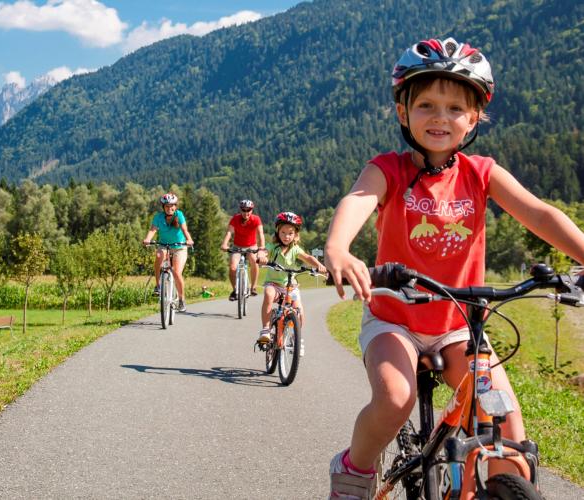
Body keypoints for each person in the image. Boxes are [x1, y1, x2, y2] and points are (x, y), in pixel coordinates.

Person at [324, 38, 584, 498]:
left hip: (461, 325)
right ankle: (354, 472)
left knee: (504, 425)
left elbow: (541, 214)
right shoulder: (388, 169)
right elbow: (359, 199)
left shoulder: (481, 172)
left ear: (474, 118)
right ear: (403, 113)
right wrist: (339, 248)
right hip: (394, 317)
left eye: (454, 107)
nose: (440, 117)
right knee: (394, 399)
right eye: (425, 104)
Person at [256, 211, 326, 343]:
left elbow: (307, 257)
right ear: (277, 232)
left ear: (295, 235)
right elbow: (264, 251)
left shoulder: (295, 249)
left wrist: (319, 265)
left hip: (290, 286)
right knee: (268, 293)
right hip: (274, 284)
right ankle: (265, 329)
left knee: (299, 310)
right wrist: (261, 257)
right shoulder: (273, 247)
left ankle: (297, 337)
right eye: (283, 232)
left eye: (290, 233)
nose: (286, 236)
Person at [142, 192, 194, 313]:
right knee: (159, 256)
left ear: (175, 206)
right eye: (167, 206)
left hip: (179, 246)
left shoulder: (179, 215)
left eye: (172, 206)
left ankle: (181, 300)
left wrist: (189, 239)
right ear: (163, 207)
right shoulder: (158, 217)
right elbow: (153, 230)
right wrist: (147, 239)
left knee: (176, 272)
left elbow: (184, 229)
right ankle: (158, 286)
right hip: (164, 245)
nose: (169, 208)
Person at [220, 199, 265, 300]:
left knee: (254, 262)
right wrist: (224, 244)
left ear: (251, 210)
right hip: (237, 247)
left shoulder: (256, 219)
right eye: (243, 210)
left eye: (248, 210)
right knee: (232, 268)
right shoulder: (235, 219)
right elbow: (229, 232)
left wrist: (261, 248)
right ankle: (235, 290)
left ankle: (253, 287)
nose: (246, 212)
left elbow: (261, 234)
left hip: (251, 246)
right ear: (240, 210)